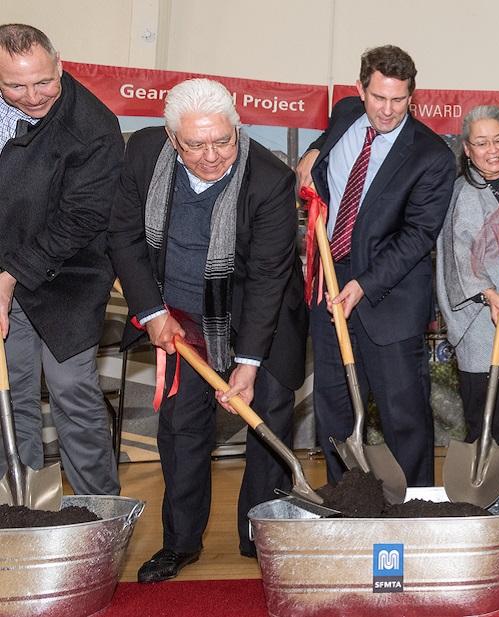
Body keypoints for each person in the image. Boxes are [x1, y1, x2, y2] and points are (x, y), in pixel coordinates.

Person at [109, 78, 306, 581]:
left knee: (267, 429)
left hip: (258, 316)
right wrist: (153, 312)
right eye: (196, 144)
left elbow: (267, 278)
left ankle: (259, 536)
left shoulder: (269, 179)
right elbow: (125, 238)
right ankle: (180, 542)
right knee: (181, 430)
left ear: (237, 129)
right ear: (174, 139)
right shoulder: (144, 154)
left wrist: (248, 364)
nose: (213, 155)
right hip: (181, 316)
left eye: (223, 140)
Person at [295, 46, 456, 487]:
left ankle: (417, 507)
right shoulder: (346, 112)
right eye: (378, 98)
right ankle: (347, 502)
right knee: (335, 409)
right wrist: (312, 152)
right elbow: (325, 145)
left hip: (388, 291)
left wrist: (365, 284)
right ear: (360, 89)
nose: (387, 110)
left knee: (404, 414)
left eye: (398, 100)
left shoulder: (432, 156)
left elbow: (417, 236)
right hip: (329, 283)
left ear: (412, 96)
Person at [0, 23, 121, 497]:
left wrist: (10, 277)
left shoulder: (92, 126)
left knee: (73, 390)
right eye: (14, 85)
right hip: (4, 267)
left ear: (61, 65)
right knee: (11, 393)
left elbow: (81, 218)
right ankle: (19, 505)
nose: (32, 96)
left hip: (69, 274)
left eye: (43, 81)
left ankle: (99, 512)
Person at [436, 105, 499, 445]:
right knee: (486, 409)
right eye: (481, 143)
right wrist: (488, 292)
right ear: (467, 149)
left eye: (498, 140)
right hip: (483, 315)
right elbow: (459, 258)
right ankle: (477, 491)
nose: (492, 150)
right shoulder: (464, 193)